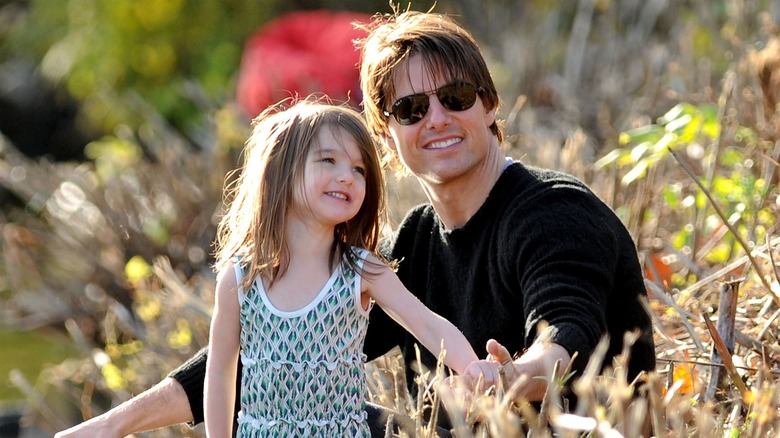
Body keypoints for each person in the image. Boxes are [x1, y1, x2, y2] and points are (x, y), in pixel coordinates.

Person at [55, 8, 656, 438]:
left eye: (457, 95)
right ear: (387, 139)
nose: (437, 118)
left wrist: (510, 375)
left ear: (491, 104)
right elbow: (258, 353)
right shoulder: (418, 242)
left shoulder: (553, 212)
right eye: (412, 109)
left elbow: (567, 328)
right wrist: (112, 425)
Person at [204, 99, 482, 437]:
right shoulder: (241, 277)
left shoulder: (360, 270)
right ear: (281, 169)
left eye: (358, 169)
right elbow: (220, 371)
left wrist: (476, 370)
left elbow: (426, 324)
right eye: (328, 161)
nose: (347, 177)